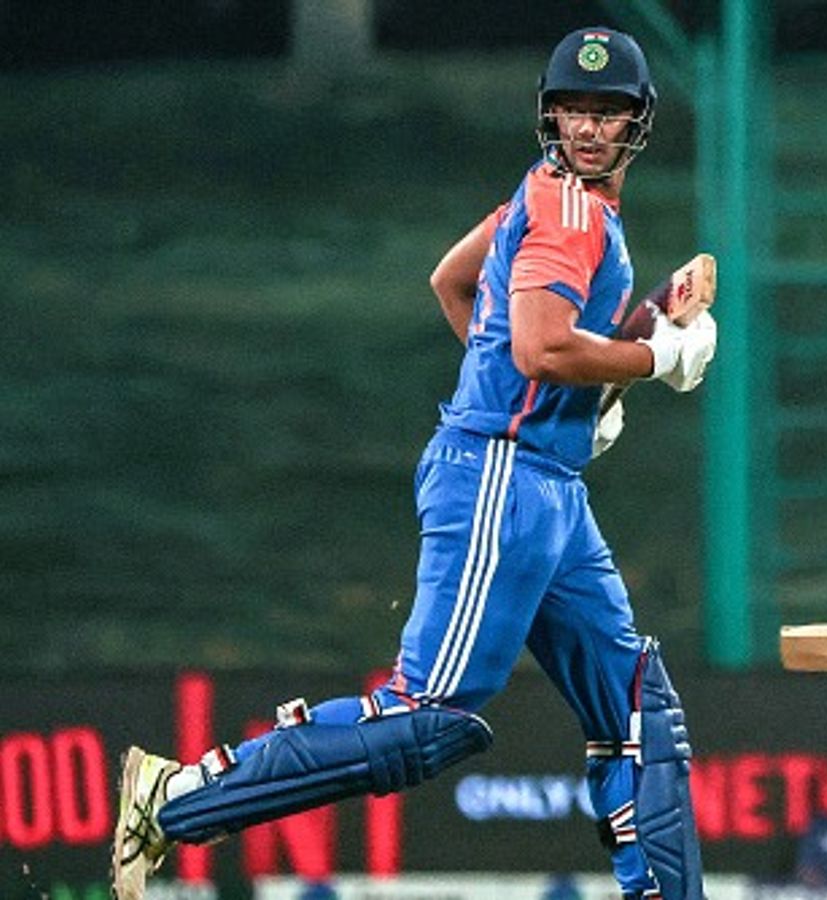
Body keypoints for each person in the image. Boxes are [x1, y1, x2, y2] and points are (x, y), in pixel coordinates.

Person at [110, 26, 715, 900]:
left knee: (638, 715)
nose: (589, 128)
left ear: (638, 122)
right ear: (550, 117)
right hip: (499, 480)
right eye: (573, 110)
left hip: (543, 482)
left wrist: (554, 408)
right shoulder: (571, 209)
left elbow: (452, 284)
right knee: (425, 720)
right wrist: (654, 360)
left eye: (608, 111)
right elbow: (544, 347)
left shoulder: (537, 202)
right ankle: (174, 799)